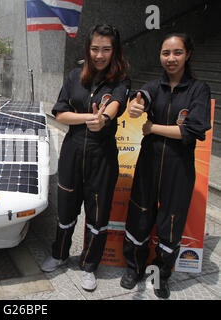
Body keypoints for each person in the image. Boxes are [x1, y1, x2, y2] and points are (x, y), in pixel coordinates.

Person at [120, 33, 212, 299]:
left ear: (188, 55)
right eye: (166, 53)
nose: (171, 59)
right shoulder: (153, 86)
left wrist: (151, 127)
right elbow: (142, 97)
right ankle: (134, 268)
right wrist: (137, 105)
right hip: (148, 163)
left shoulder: (198, 89)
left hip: (178, 168)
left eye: (177, 53)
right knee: (139, 216)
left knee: (171, 224)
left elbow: (192, 131)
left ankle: (161, 274)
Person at [40, 24, 131, 292]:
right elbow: (60, 113)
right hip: (72, 153)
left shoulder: (121, 80)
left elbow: (115, 105)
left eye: (106, 49)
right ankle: (59, 254)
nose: (99, 55)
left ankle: (89, 265)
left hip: (102, 157)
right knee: (66, 210)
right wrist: (89, 118)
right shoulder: (74, 76)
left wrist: (103, 118)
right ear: (87, 49)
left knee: (98, 216)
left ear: (114, 51)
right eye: (95, 49)